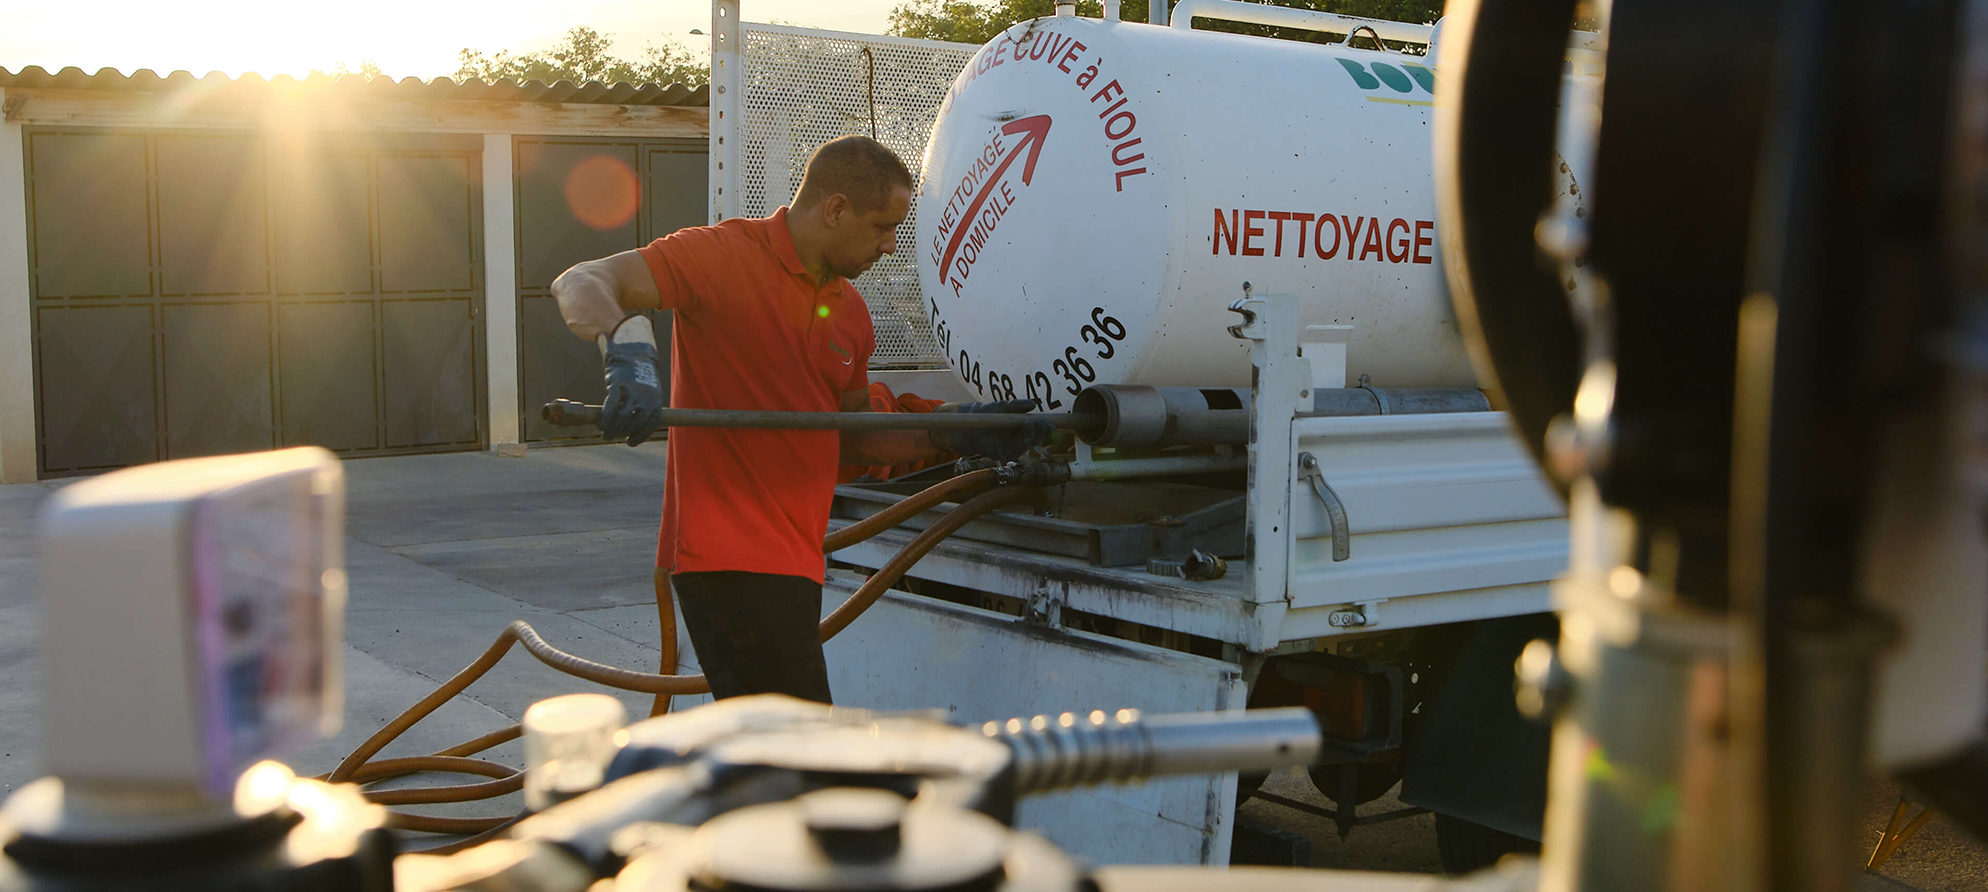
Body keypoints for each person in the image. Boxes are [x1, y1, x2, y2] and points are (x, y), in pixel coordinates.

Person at [550, 135, 1049, 705]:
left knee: (773, 766)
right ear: (836, 209)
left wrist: (956, 428)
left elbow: (855, 436)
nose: (890, 246)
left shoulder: (851, 312)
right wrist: (627, 350)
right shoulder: (720, 256)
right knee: (800, 758)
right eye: (882, 227)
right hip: (725, 557)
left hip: (797, 559)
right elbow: (580, 281)